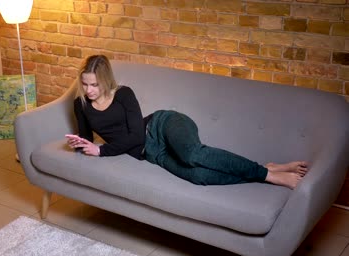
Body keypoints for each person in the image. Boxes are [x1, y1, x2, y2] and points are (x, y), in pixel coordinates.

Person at [66, 55, 308, 189]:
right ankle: (266, 168)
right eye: (85, 84)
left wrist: (102, 150)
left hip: (161, 125)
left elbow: (136, 136)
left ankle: (271, 175)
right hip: (152, 153)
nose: (89, 90)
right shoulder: (81, 104)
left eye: (94, 84)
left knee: (192, 155)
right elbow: (86, 138)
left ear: (105, 80)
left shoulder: (123, 93)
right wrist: (79, 144)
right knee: (198, 176)